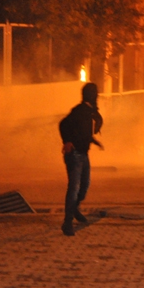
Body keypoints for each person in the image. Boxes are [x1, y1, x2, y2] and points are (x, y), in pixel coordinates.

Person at [59, 82, 104, 236]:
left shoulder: (89, 112)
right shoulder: (79, 111)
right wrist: (67, 142)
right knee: (74, 188)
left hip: (83, 154)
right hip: (75, 155)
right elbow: (63, 124)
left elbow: (84, 132)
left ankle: (74, 209)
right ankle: (67, 222)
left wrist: (94, 141)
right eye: (95, 94)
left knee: (84, 186)